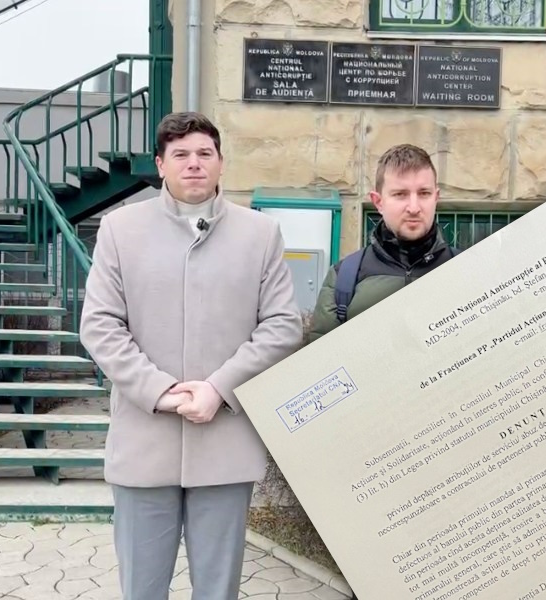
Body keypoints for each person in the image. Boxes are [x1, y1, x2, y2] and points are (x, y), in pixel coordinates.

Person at [79, 111, 303, 599]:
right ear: (161, 165)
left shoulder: (260, 234)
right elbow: (100, 325)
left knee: (218, 590)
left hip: (224, 446)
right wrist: (159, 391)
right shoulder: (120, 230)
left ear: (221, 162)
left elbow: (282, 325)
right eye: (180, 154)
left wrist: (219, 388)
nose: (194, 163)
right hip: (144, 443)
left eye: (205, 153)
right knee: (142, 588)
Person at [310, 143, 459, 341]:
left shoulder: (466, 270)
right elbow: (323, 356)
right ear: (378, 202)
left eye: (424, 193)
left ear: (436, 198)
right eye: (400, 195)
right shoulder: (344, 278)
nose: (414, 208)